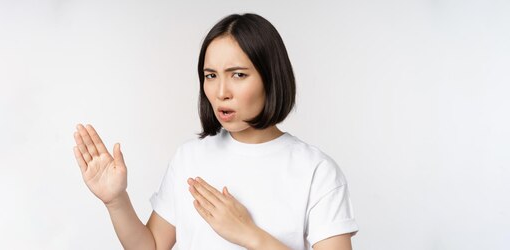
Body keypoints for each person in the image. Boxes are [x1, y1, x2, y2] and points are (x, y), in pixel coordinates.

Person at [72, 13, 358, 250]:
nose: (221, 92)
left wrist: (248, 233)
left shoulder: (316, 171)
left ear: (271, 77)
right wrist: (116, 200)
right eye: (211, 76)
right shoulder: (190, 157)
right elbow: (153, 247)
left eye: (238, 75)